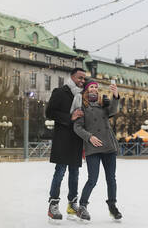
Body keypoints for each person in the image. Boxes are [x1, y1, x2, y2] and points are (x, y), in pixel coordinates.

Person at [73, 79, 122, 221]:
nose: (94, 89)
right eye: (91, 87)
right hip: (93, 148)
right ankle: (82, 206)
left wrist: (115, 95)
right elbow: (77, 127)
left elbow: (113, 111)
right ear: (87, 90)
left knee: (111, 179)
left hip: (108, 146)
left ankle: (112, 206)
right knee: (92, 179)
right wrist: (89, 137)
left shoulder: (104, 103)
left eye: (96, 87)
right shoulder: (82, 106)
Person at [45, 68, 86, 221]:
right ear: (72, 77)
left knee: (74, 173)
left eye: (84, 79)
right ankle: (53, 204)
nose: (82, 81)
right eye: (80, 78)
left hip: (76, 139)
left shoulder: (82, 95)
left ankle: (72, 204)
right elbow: (49, 113)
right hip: (62, 138)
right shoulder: (60, 92)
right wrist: (70, 116)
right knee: (60, 171)